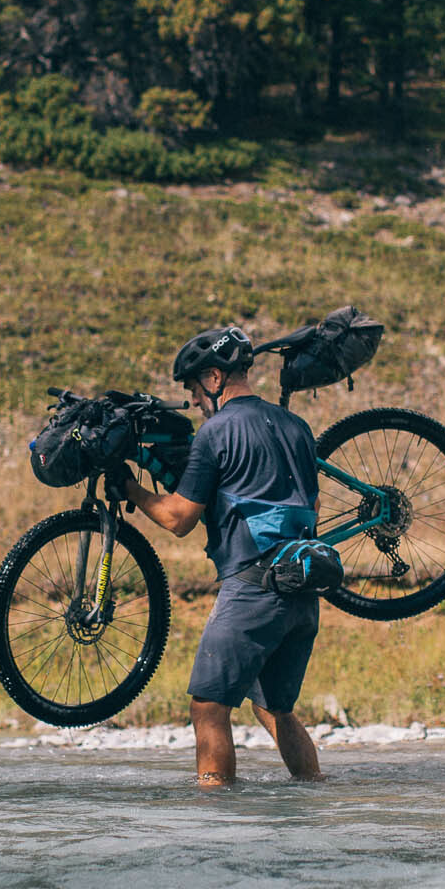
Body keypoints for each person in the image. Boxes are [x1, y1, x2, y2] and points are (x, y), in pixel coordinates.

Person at [113, 326, 325, 786]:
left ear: (213, 377)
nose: (192, 400)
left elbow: (178, 518)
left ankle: (216, 818)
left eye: (192, 387)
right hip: (304, 591)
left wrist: (130, 487)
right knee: (276, 709)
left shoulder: (216, 431)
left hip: (253, 588)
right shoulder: (297, 427)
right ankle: (314, 794)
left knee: (208, 708)